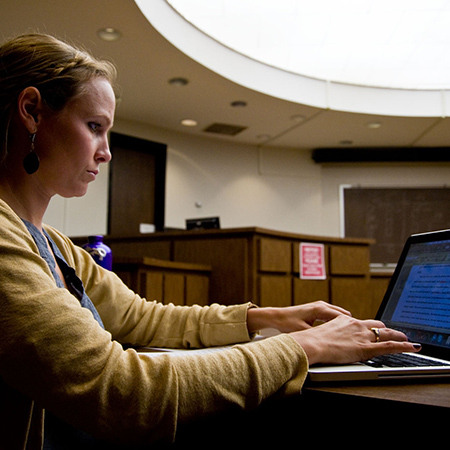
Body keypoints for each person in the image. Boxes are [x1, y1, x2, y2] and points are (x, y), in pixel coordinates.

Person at [0, 33, 420, 449]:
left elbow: (142, 318)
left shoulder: (55, 245)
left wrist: (265, 318)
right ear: (32, 111)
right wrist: (304, 347)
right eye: (94, 127)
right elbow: (120, 392)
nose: (106, 152)